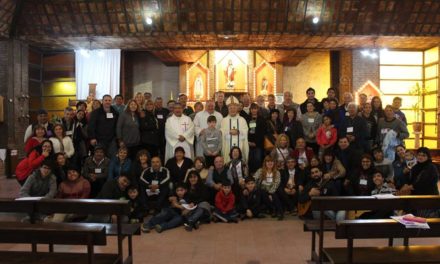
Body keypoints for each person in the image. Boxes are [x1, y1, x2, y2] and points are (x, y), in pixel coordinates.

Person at [254, 156, 284, 220]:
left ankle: (279, 212)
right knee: (262, 192)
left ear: (274, 163)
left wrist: (270, 193)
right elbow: (254, 179)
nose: (270, 163)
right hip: (263, 190)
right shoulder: (260, 171)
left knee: (275, 194)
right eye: (268, 161)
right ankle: (274, 210)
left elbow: (276, 184)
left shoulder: (277, 172)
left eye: (271, 161)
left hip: (273, 190)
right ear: (265, 163)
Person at [247, 103, 266, 173]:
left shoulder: (262, 119)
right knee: (249, 159)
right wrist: (248, 142)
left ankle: (257, 174)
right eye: (252, 109)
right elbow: (245, 131)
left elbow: (263, 133)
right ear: (250, 110)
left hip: (258, 144)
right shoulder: (247, 118)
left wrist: (256, 143)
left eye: (255, 109)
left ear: (257, 109)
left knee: (258, 159)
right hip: (248, 143)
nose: (254, 110)